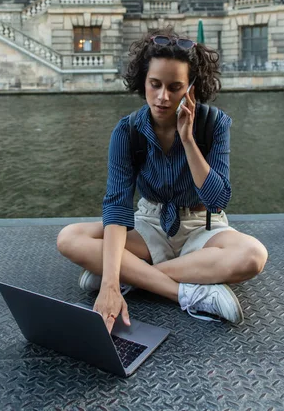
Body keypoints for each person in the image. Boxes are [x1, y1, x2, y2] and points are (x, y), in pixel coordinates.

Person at [57, 27, 268, 333]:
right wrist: (110, 287)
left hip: (201, 228)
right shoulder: (127, 131)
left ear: (191, 88)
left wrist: (188, 140)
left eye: (175, 87)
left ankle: (134, 276)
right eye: (154, 84)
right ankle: (188, 292)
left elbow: (217, 201)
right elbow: (117, 207)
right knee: (69, 238)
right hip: (149, 224)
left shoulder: (214, 124)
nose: (162, 97)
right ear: (143, 81)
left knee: (253, 256)